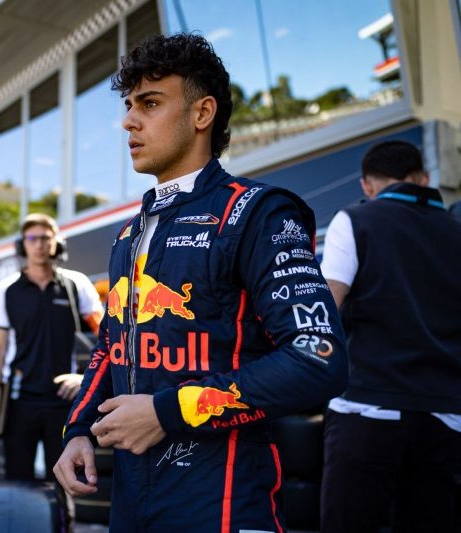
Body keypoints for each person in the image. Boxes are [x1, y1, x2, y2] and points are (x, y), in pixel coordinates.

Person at [53, 33, 349, 531]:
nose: (129, 121)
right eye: (129, 105)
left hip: (223, 501)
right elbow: (111, 346)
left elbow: (318, 359)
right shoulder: (128, 234)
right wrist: (78, 428)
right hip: (132, 502)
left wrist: (167, 412)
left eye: (150, 103)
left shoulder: (257, 212)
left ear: (202, 113)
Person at [319, 140, 461, 532]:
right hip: (446, 417)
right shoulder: (456, 232)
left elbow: (324, 310)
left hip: (367, 408)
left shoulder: (355, 220)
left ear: (367, 185)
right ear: (424, 179)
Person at [0, 213, 103, 480]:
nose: (39, 244)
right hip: (19, 400)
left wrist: (85, 379)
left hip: (64, 401)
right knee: (17, 483)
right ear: (22, 245)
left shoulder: (76, 284)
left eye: (45, 238)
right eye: (32, 238)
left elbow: (108, 337)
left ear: (56, 243)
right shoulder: (7, 289)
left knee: (62, 482)